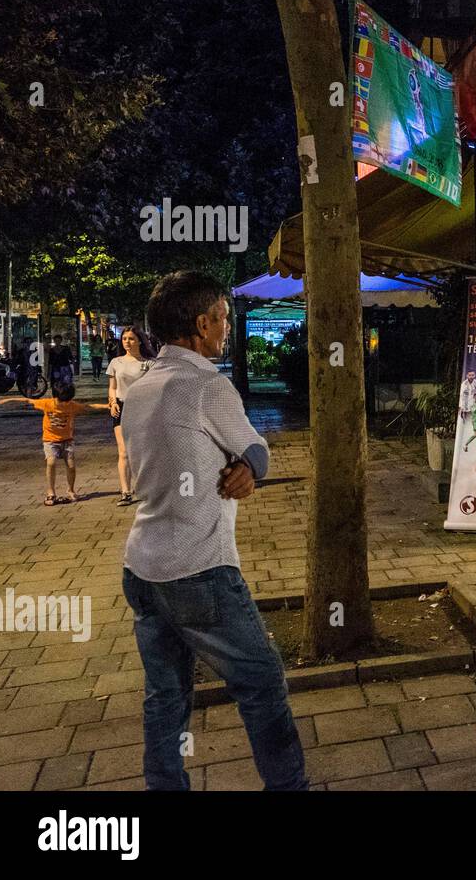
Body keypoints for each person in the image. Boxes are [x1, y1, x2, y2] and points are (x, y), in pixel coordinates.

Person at [121, 270, 306, 791]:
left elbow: (236, 455)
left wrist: (247, 467)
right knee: (262, 682)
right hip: (197, 567)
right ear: (202, 325)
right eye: (223, 318)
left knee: (166, 695)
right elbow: (257, 445)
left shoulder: (141, 388)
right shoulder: (206, 384)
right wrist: (253, 464)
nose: (226, 328)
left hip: (142, 566)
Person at [0, 383, 110, 505]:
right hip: (50, 440)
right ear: (55, 397)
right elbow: (28, 400)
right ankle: (51, 492)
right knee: (51, 462)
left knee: (71, 465)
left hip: (67, 440)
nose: (64, 404)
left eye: (67, 401)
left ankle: (71, 490)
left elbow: (88, 406)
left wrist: (106, 406)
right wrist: (7, 400)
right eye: (61, 401)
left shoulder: (72, 405)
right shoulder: (46, 403)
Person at [107, 326, 155, 506]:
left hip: (142, 407)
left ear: (140, 341)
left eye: (131, 338)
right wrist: (112, 403)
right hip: (120, 406)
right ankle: (125, 491)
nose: (127, 342)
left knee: (143, 450)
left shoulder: (150, 363)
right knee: (123, 451)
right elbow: (112, 387)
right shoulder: (116, 362)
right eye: (125, 338)